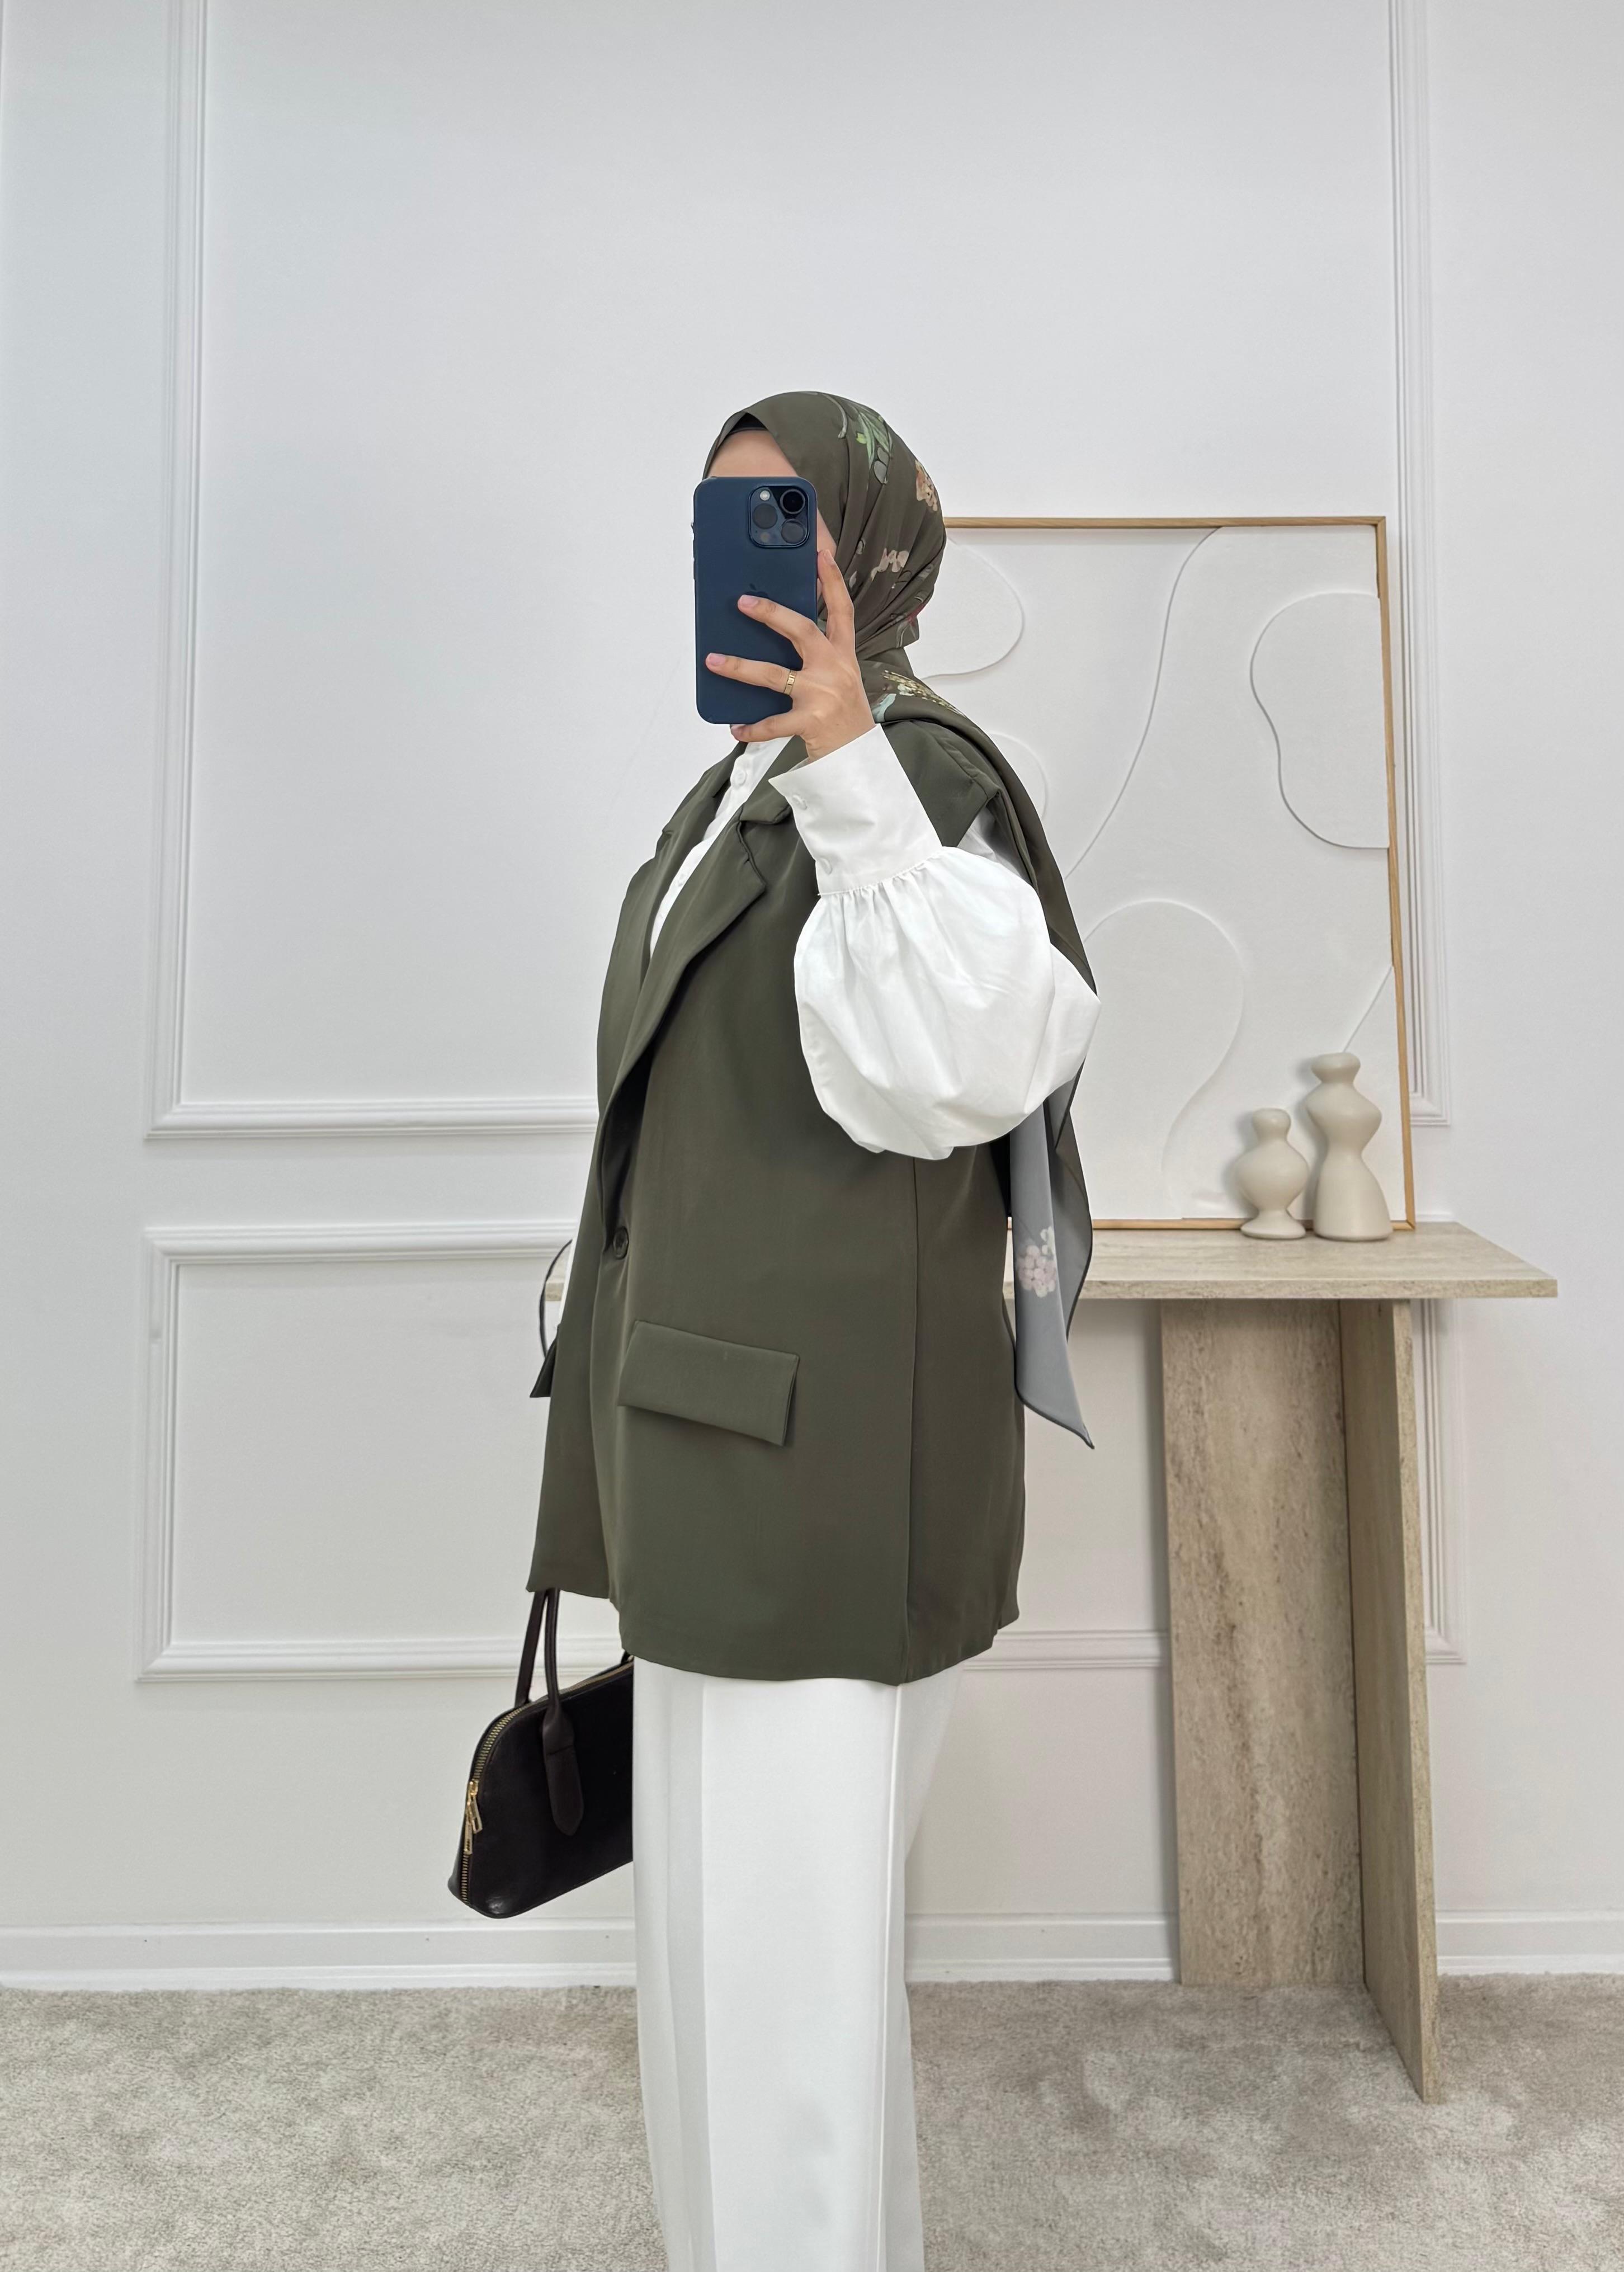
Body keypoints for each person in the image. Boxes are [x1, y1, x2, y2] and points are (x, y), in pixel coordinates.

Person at [527, 392, 1100, 2272]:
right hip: (704, 1453)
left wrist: (849, 751)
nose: (750, 563)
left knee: (784, 2021)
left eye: (788, 525)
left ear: (874, 557)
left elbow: (970, 1060)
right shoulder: (731, 797)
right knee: (730, 1989)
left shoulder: (911, 778)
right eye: (719, 524)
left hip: (820, 1481)